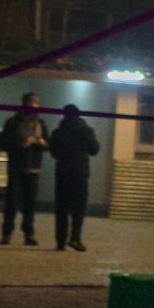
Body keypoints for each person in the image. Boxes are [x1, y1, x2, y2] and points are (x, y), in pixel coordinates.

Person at [49, 102, 100, 251]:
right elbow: (95, 149)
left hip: (62, 174)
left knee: (61, 208)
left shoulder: (58, 132)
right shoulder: (86, 130)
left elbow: (53, 152)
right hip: (80, 174)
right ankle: (75, 238)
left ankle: (60, 241)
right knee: (78, 209)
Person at [0, 92, 49, 245]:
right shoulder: (12, 123)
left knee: (30, 203)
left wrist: (41, 143)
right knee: (11, 202)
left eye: (36, 102)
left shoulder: (41, 123)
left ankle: (29, 234)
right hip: (16, 167)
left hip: (33, 168)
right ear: (23, 104)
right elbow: (3, 143)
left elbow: (48, 144)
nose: (33, 105)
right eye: (31, 102)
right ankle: (7, 233)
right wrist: (21, 143)